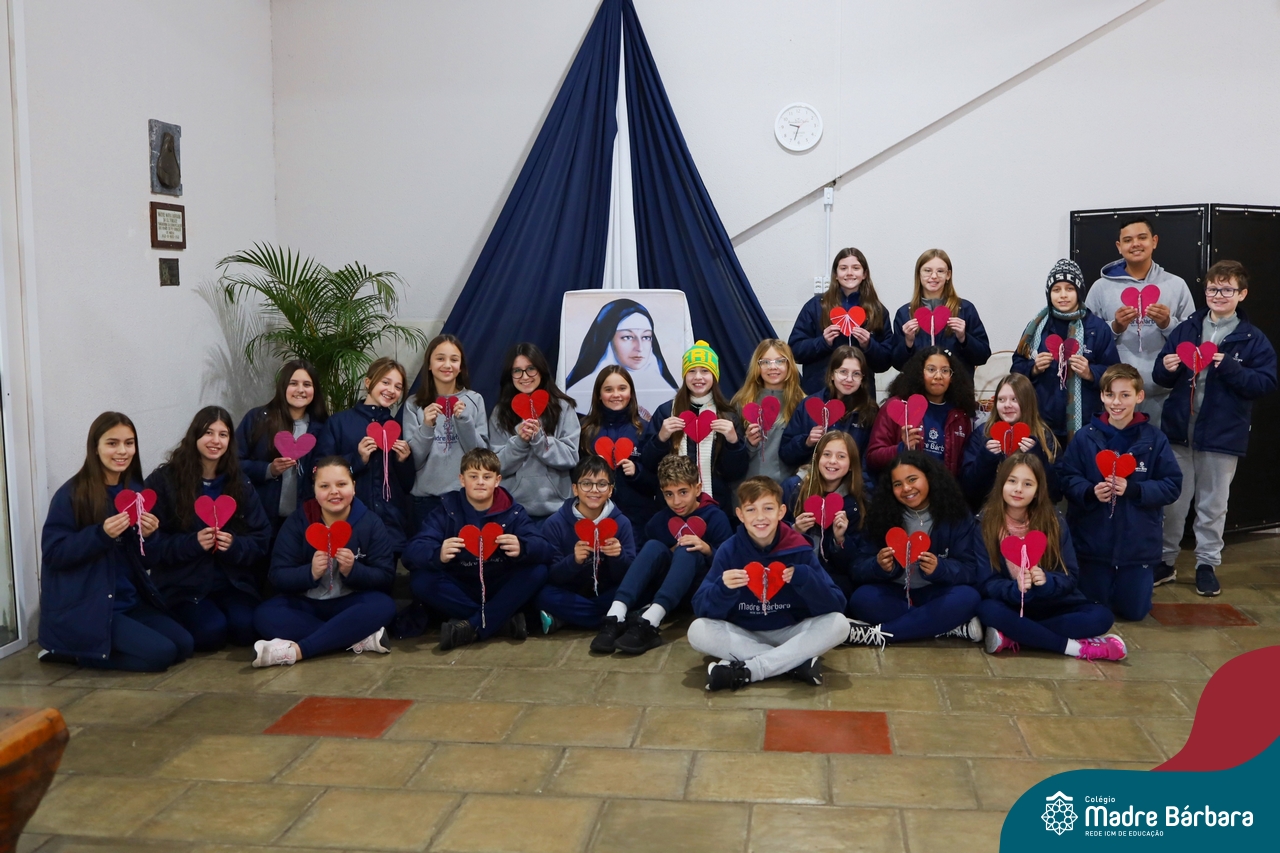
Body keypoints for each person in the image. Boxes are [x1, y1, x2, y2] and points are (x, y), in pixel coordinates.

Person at [1152, 260, 1277, 595]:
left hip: (1222, 435)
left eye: (1226, 289)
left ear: (1242, 294)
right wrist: (1165, 366)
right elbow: (1161, 376)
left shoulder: (1252, 339)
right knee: (1173, 503)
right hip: (1179, 431)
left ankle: (1206, 564)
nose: (1218, 295)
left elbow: (1265, 383)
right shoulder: (1187, 328)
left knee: (1212, 505)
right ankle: (1165, 561)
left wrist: (1231, 368)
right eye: (1212, 288)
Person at [38, 412, 193, 671]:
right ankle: (74, 654)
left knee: (185, 645)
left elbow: (147, 560)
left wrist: (150, 536)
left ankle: (97, 648)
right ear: (95, 448)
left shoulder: (135, 491)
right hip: (92, 607)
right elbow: (54, 554)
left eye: (129, 443)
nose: (122, 451)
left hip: (129, 601)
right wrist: (101, 534)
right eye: (112, 443)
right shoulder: (72, 495)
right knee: (161, 654)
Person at [689, 476, 848, 691]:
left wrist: (806, 578)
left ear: (781, 512)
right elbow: (700, 607)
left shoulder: (799, 548)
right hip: (743, 632)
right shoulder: (729, 550)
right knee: (697, 630)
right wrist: (722, 589)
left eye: (768, 508)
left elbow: (836, 604)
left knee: (840, 624)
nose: (760, 517)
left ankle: (749, 670)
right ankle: (792, 664)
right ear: (740, 515)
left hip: (790, 631)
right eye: (751, 510)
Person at [1057, 364, 1182, 621]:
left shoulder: (1155, 439)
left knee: (1134, 613)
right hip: (1092, 546)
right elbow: (1067, 478)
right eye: (1110, 394)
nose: (1117, 402)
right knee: (1092, 609)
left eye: (1125, 395)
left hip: (1137, 548)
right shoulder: (1084, 437)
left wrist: (1134, 489)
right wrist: (1090, 491)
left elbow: (1171, 484)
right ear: (1101, 396)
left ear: (1139, 396)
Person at [976, 453, 1126, 662]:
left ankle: (1014, 635)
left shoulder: (1054, 522)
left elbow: (1070, 576)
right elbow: (986, 583)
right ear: (1001, 484)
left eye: (1028, 484)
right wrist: (1015, 588)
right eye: (1012, 481)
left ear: (1038, 490)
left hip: (1052, 605)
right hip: (1012, 605)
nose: (1018, 489)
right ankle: (1074, 648)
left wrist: (1047, 581)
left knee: (1102, 616)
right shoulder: (984, 524)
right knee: (987, 609)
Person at [146, 406, 272, 651]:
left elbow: (261, 537)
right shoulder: (164, 481)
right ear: (195, 436)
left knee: (248, 629)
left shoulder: (240, 482)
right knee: (210, 633)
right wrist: (192, 543)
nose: (215, 441)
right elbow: (151, 546)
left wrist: (234, 545)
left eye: (223, 434)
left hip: (232, 583)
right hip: (184, 586)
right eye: (208, 433)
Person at [251, 456, 397, 667]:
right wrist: (310, 573)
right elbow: (278, 575)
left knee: (383, 605)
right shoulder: (298, 521)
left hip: (351, 603)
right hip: (307, 604)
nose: (334, 492)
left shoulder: (371, 522)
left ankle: (298, 651)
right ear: (314, 489)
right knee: (264, 615)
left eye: (341, 484)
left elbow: (385, 576)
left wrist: (353, 570)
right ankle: (355, 638)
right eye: (324, 486)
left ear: (354, 486)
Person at [403, 448, 551, 650]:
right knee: (421, 580)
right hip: (460, 586)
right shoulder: (446, 510)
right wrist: (437, 553)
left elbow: (545, 549)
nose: (480, 482)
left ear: (497, 480)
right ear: (462, 480)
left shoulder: (513, 511)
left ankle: (473, 625)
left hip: (499, 585)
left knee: (538, 571)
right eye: (473, 476)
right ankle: (500, 622)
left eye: (487, 477)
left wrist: (523, 547)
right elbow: (412, 552)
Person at [591, 455, 732, 655]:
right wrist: (669, 553)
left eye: (683, 492)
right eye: (669, 494)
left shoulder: (715, 517)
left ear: (697, 488)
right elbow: (644, 561)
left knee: (687, 548)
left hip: (698, 589)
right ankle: (616, 615)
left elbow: (730, 564)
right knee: (653, 546)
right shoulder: (659, 520)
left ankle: (651, 623)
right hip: (664, 589)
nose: (676, 501)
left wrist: (706, 548)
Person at [846, 451, 985, 646]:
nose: (906, 488)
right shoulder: (880, 515)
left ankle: (881, 634)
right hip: (895, 593)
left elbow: (970, 569)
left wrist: (940, 568)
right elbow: (857, 567)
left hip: (937, 593)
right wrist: (878, 566)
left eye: (912, 479)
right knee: (861, 600)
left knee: (969, 598)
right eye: (897, 484)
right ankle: (944, 626)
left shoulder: (957, 514)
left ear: (929, 477)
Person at [1084, 215, 1195, 427]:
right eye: (1127, 240)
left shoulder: (1176, 285)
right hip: (1116, 395)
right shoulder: (1101, 288)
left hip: (1163, 393)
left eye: (1142, 238)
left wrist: (1167, 324)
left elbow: (1191, 340)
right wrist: (1115, 327)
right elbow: (1087, 339)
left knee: (1156, 447)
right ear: (1119, 247)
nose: (1135, 244)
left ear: (1154, 241)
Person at [314, 357, 415, 556]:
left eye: (398, 387)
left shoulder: (398, 427)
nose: (391, 390)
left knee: (386, 572)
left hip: (391, 525)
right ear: (368, 383)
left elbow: (407, 484)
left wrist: (403, 461)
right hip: (349, 519)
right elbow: (319, 470)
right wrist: (358, 459)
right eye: (385, 382)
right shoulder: (339, 422)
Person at [1011, 260, 1118, 445]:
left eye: (1069, 288)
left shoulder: (1098, 328)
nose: (1063, 295)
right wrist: (1033, 369)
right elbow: (1015, 369)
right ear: (1049, 294)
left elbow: (1115, 374)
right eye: (1056, 289)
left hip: (1086, 423)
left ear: (1079, 292)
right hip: (1041, 421)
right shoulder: (1036, 327)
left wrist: (1090, 373)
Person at [534, 456, 637, 633]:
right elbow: (552, 576)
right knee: (541, 594)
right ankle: (617, 618)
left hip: (608, 592)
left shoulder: (621, 523)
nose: (594, 490)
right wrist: (573, 561)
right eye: (586, 484)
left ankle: (568, 618)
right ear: (575, 488)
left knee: (640, 587)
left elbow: (630, 575)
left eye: (602, 484)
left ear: (610, 490)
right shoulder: (554, 523)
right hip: (572, 593)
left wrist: (618, 556)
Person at [639, 340, 747, 503]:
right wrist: (660, 439)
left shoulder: (727, 415)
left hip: (715, 505)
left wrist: (733, 443)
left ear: (714, 376)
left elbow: (735, 473)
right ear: (684, 376)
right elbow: (648, 464)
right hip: (672, 505)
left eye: (705, 371)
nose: (698, 377)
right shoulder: (666, 412)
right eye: (691, 371)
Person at [404, 334, 489, 532]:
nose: (447, 365)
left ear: (461, 366)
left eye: (454, 359)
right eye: (440, 358)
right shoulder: (414, 404)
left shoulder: (475, 400)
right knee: (427, 551)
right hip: (425, 501)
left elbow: (481, 456)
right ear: (429, 364)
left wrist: (465, 421)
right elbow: (413, 461)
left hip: (466, 498)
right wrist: (427, 426)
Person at [236, 359, 328, 538]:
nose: (300, 390)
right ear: (283, 386)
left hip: (304, 520)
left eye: (307, 384)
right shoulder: (257, 418)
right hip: (259, 516)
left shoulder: (323, 427)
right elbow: (233, 463)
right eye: (293, 383)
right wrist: (269, 470)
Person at [490, 343, 580, 523]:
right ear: (510, 375)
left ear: (541, 370)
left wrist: (540, 439)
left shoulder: (563, 408)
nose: (525, 377)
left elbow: (571, 457)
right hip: (513, 510)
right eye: (517, 371)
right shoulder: (500, 413)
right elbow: (496, 466)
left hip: (557, 510)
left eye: (531, 369)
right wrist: (519, 442)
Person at [788, 248, 892, 396]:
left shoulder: (878, 311)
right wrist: (823, 342)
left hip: (861, 396)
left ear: (864, 274)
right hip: (820, 393)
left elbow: (885, 362)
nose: (849, 273)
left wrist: (869, 345)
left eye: (856, 268)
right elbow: (795, 351)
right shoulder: (816, 306)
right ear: (836, 275)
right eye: (843, 268)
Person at [781, 430, 867, 596]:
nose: (832, 461)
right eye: (827, 454)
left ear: (851, 465)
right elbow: (772, 536)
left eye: (841, 456)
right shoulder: (793, 488)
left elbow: (852, 565)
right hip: (791, 569)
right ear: (816, 458)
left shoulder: (854, 504)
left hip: (830, 577)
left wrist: (840, 540)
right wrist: (794, 531)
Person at [865, 346, 975, 477]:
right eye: (931, 370)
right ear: (919, 373)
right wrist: (902, 448)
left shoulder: (960, 416)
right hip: (905, 486)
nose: (938, 376)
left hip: (944, 488)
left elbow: (964, 469)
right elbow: (873, 458)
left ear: (952, 377)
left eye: (945, 371)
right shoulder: (898, 406)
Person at [565, 298, 679, 419]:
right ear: (608, 339)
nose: (639, 347)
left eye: (646, 337)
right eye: (627, 337)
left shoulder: (670, 395)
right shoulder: (576, 395)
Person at [578, 365, 656, 539]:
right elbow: (573, 474)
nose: (616, 395)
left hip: (637, 520)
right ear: (599, 395)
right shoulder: (585, 429)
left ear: (631, 392)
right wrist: (590, 467)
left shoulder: (644, 428)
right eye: (608, 390)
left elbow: (656, 480)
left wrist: (637, 471)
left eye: (622, 388)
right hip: (594, 517)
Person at [959, 374, 1059, 507]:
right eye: (1001, 399)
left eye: (1014, 399)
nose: (1007, 405)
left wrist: (1038, 458)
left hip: (1033, 513)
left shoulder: (1044, 435)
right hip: (989, 511)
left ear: (1027, 402)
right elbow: (968, 489)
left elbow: (1056, 492)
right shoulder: (982, 433)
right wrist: (985, 458)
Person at [890, 249, 991, 374]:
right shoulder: (905, 313)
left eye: (940, 271)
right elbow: (897, 364)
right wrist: (908, 342)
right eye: (927, 270)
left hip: (957, 384)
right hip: (917, 385)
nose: (934, 276)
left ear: (948, 275)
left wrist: (964, 338)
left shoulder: (965, 309)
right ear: (919, 274)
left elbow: (983, 356)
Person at [780, 346, 879, 471]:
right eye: (843, 372)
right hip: (811, 476)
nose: (849, 379)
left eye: (856, 374)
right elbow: (785, 454)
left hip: (851, 479)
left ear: (862, 378)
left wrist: (858, 482)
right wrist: (806, 442)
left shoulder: (870, 411)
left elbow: (869, 460)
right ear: (832, 374)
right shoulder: (809, 405)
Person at [731, 339, 805, 485]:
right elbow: (731, 458)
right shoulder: (741, 402)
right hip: (748, 487)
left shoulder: (802, 403)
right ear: (757, 366)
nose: (772, 367)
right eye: (765, 362)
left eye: (780, 361)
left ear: (789, 364)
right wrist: (749, 444)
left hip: (786, 488)